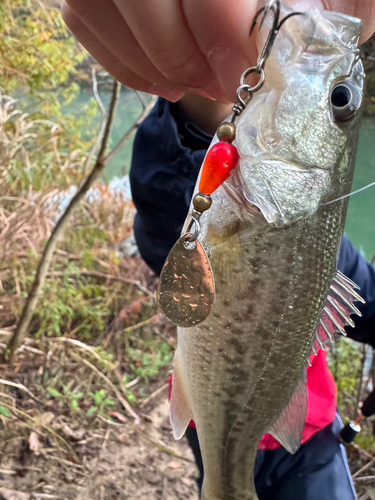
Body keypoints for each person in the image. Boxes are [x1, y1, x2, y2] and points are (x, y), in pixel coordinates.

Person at [62, 1, 375, 498]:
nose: (333, 97)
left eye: (337, 99)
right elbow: (169, 214)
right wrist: (202, 100)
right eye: (341, 99)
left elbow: (370, 306)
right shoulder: (235, 197)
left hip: (310, 439)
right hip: (214, 415)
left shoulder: (329, 251)